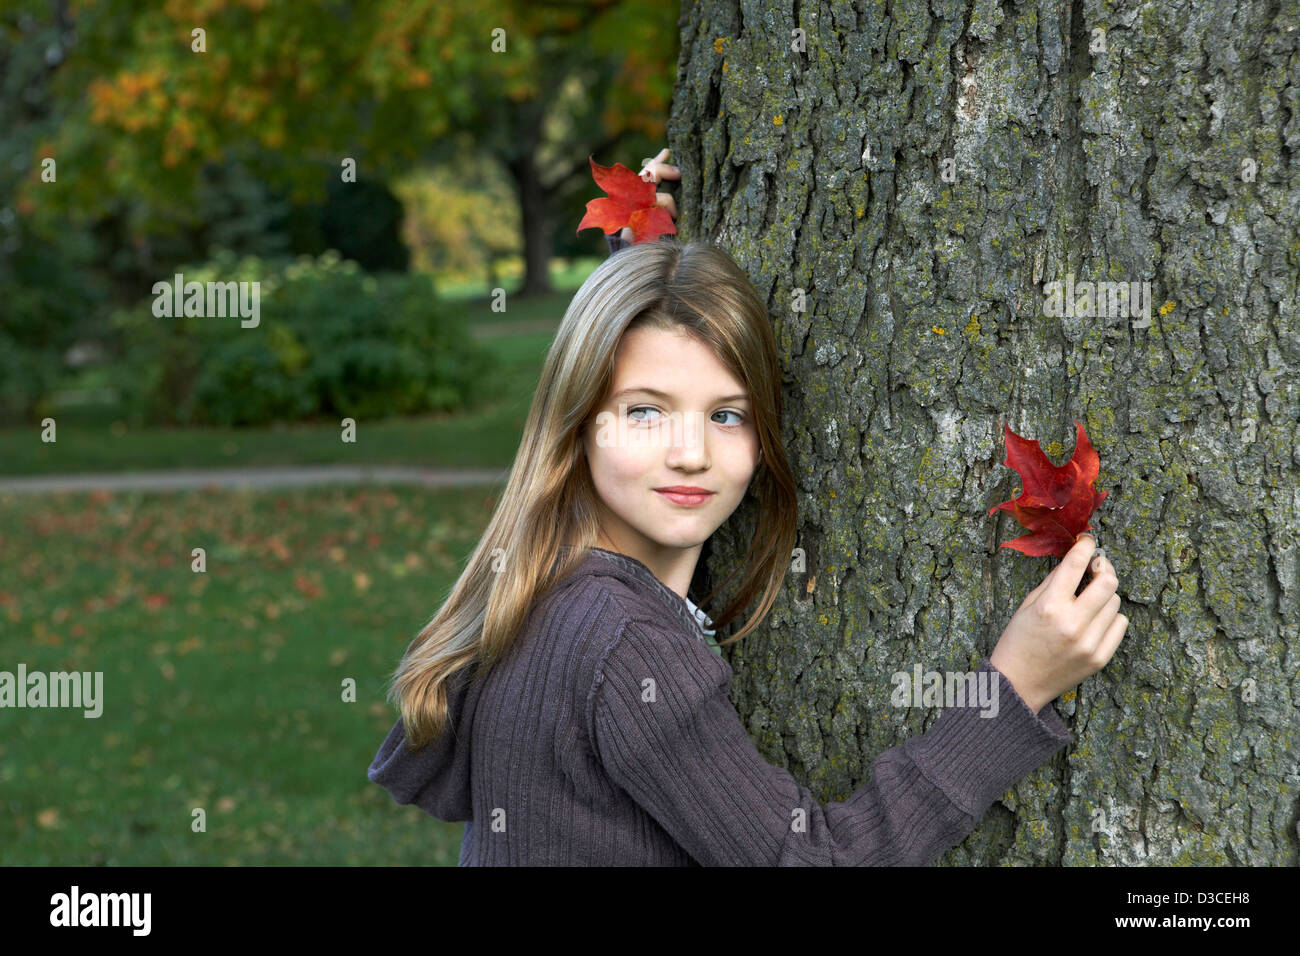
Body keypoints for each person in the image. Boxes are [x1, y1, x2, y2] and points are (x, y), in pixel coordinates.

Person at [367, 146, 1128, 865]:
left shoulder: (542, 594)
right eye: (645, 412)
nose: (690, 452)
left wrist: (639, 272)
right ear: (579, 419)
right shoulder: (624, 643)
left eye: (726, 415)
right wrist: (1012, 691)